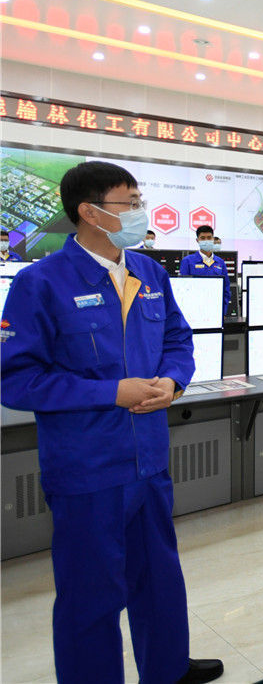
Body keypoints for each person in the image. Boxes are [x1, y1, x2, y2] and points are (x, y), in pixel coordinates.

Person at [0, 161, 222, 684]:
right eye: (131, 203)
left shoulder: (150, 273)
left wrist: (173, 381)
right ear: (91, 213)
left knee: (159, 578)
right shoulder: (40, 283)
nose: (141, 212)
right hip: (88, 470)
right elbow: (16, 379)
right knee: (90, 596)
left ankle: (167, 669)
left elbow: (177, 339)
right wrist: (110, 393)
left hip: (150, 461)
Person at [179, 225, 230, 315]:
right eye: (203, 238)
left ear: (213, 239)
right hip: (194, 310)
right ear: (197, 240)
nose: (206, 240)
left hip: (215, 309)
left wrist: (223, 311)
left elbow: (226, 288)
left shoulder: (220, 262)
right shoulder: (187, 261)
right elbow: (182, 289)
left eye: (209, 238)